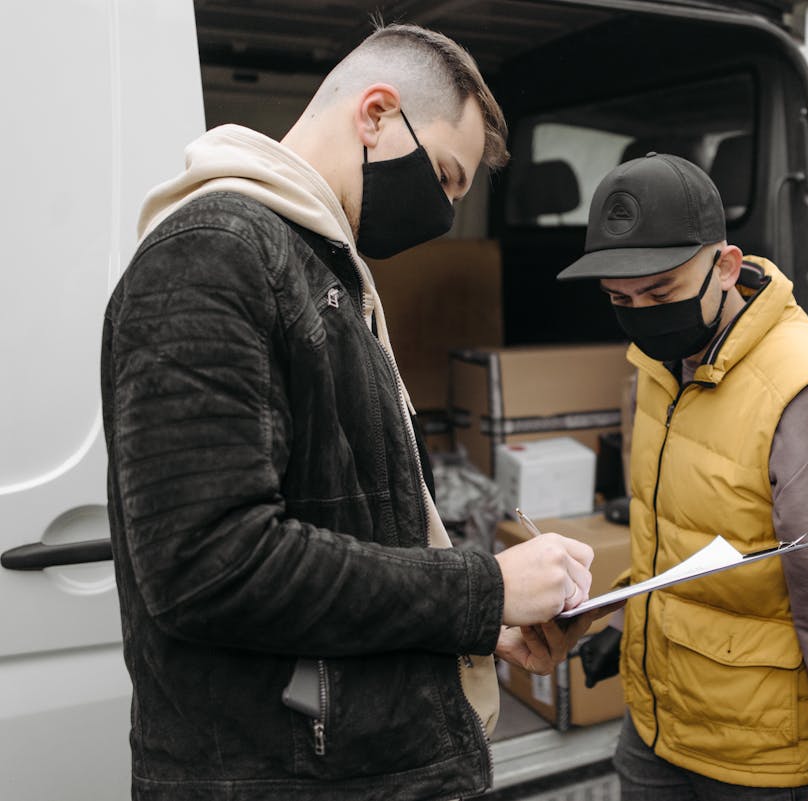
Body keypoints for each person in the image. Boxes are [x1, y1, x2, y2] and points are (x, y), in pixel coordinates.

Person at [101, 22, 597, 801]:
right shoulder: (212, 256)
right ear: (375, 113)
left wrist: (476, 628)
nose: (440, 211)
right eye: (443, 174)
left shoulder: (319, 266)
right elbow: (212, 565)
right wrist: (484, 588)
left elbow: (352, 542)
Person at [558, 154, 808, 801]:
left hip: (764, 770)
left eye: (659, 294)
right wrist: (621, 622)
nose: (640, 315)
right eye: (619, 299)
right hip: (658, 736)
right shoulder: (660, 365)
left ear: (725, 265)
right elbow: (682, 533)